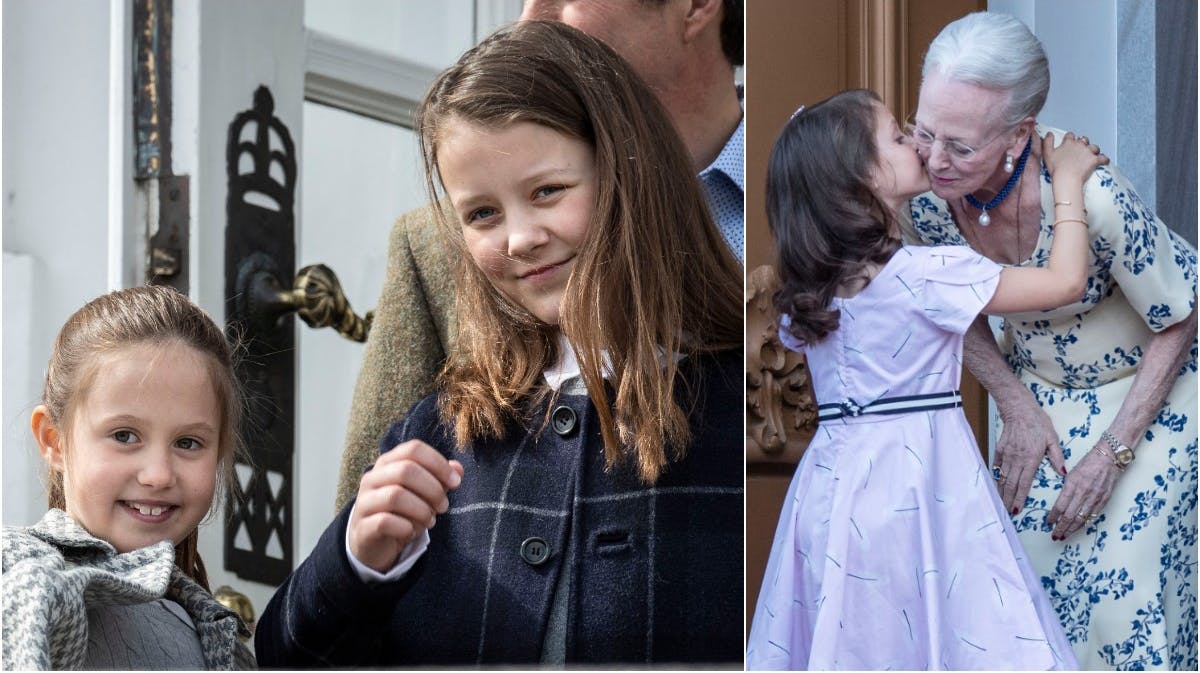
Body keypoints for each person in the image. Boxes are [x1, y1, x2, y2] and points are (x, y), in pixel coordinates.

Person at [255, 20, 744, 666]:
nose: (518, 238)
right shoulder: (437, 429)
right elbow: (285, 653)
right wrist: (353, 559)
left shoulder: (744, 396)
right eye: (482, 214)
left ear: (628, 172)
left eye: (547, 192)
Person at [745, 89, 1106, 670]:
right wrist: (1067, 181)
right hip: (924, 485)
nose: (916, 141)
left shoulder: (808, 298)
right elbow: (1064, 281)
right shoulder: (928, 275)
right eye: (895, 136)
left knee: (859, 639)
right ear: (861, 181)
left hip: (834, 497)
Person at [335, 0, 745, 511]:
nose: (529, 19)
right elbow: (372, 512)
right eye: (483, 213)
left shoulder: (816, 203)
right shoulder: (436, 243)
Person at [903, 12, 1198, 670]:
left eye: (960, 144)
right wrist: (1013, 401)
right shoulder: (918, 195)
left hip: (1160, 384)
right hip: (1040, 391)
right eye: (924, 132)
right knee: (1022, 591)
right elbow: (948, 308)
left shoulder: (1090, 195)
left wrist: (1112, 453)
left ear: (1018, 135)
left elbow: (1179, 315)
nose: (935, 160)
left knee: (1124, 601)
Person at [1, 285, 254, 670]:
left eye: (188, 442)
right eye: (124, 436)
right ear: (54, 441)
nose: (157, 475)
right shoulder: (22, 573)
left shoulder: (215, 633)